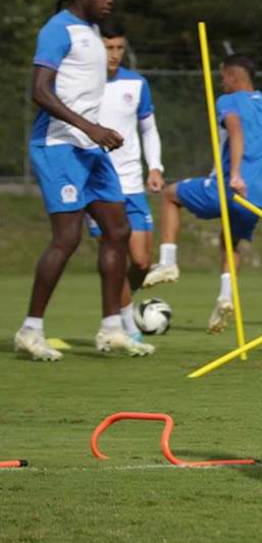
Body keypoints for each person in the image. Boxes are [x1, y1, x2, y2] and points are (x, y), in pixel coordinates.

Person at [15, 0, 152, 360]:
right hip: (59, 147)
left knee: (118, 230)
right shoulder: (57, 30)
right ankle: (31, 329)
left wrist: (93, 133)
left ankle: (111, 328)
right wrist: (89, 127)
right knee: (68, 237)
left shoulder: (92, 31)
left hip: (89, 150)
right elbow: (39, 91)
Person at [143, 54, 262, 333]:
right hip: (258, 192)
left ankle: (168, 262)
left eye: (222, 77)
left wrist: (235, 173)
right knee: (230, 241)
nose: (221, 83)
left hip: (229, 184)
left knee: (170, 195)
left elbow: (235, 130)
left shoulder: (228, 101)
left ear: (234, 77)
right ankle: (225, 296)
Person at [84, 21, 166, 343]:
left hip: (133, 184)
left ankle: (115, 299)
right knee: (114, 251)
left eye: (119, 48)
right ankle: (129, 328)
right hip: (99, 185)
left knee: (142, 261)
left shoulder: (136, 84)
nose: (114, 55)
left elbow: (148, 129)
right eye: (108, 48)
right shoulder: (83, 85)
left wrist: (155, 167)